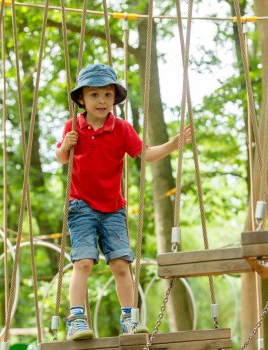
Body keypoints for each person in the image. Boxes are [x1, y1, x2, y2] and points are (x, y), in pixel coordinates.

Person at [56, 63, 191, 341]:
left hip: (113, 208)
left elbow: (146, 154)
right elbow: (62, 159)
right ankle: (77, 319)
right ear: (82, 99)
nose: (101, 101)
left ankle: (130, 317)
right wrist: (66, 145)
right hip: (81, 205)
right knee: (83, 262)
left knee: (120, 263)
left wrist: (171, 145)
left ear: (114, 99)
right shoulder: (73, 126)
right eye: (94, 95)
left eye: (107, 95)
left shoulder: (122, 129)